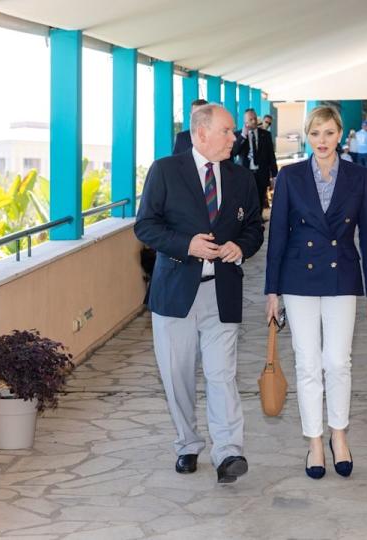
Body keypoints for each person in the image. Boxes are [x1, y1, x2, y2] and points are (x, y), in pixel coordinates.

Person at [135, 103, 265, 483]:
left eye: (233, 131)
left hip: (220, 291)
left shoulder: (241, 178)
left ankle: (228, 453)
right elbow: (145, 226)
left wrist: (241, 247)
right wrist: (185, 245)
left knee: (222, 374)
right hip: (175, 293)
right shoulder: (165, 171)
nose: (234, 138)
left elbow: (254, 228)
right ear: (201, 133)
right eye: (226, 131)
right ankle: (188, 444)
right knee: (176, 376)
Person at [264, 105, 367, 480]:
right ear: (307, 136)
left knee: (337, 361)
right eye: (315, 133)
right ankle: (315, 442)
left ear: (340, 135)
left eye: (329, 133)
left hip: (342, 276)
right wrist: (272, 291)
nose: (322, 141)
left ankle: (339, 435)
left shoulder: (359, 177)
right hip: (298, 278)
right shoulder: (290, 176)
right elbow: (278, 234)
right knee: (307, 362)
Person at [235, 108, 278, 212]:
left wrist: (274, 176)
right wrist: (243, 136)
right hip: (245, 174)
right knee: (245, 202)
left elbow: (271, 156)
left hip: (261, 174)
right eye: (250, 119)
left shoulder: (266, 135)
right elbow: (233, 152)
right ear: (245, 121)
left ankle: (258, 225)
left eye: (255, 118)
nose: (254, 121)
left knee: (259, 201)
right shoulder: (238, 135)